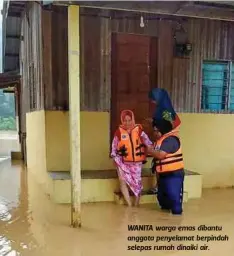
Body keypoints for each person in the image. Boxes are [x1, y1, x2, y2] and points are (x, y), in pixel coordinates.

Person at [111, 110, 153, 207]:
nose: (127, 123)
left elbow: (148, 142)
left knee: (137, 183)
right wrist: (114, 156)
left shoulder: (139, 131)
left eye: (129, 120)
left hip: (136, 163)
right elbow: (114, 146)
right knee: (122, 180)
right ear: (122, 121)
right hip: (122, 162)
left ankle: (136, 204)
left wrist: (150, 148)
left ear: (132, 120)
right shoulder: (119, 132)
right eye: (125, 120)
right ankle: (129, 205)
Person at [146, 118, 184, 215]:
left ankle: (176, 222)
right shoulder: (160, 140)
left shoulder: (170, 140)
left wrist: (149, 151)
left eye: (156, 131)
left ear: (162, 130)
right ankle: (164, 223)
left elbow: (160, 155)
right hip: (163, 175)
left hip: (173, 174)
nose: (154, 133)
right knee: (162, 200)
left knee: (174, 199)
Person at [147, 88, 181, 194]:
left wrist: (160, 129)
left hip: (166, 140)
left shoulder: (165, 111)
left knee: (162, 162)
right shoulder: (161, 108)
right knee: (158, 163)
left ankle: (160, 186)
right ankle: (160, 186)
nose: (152, 101)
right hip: (162, 138)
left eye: (153, 99)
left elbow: (171, 124)